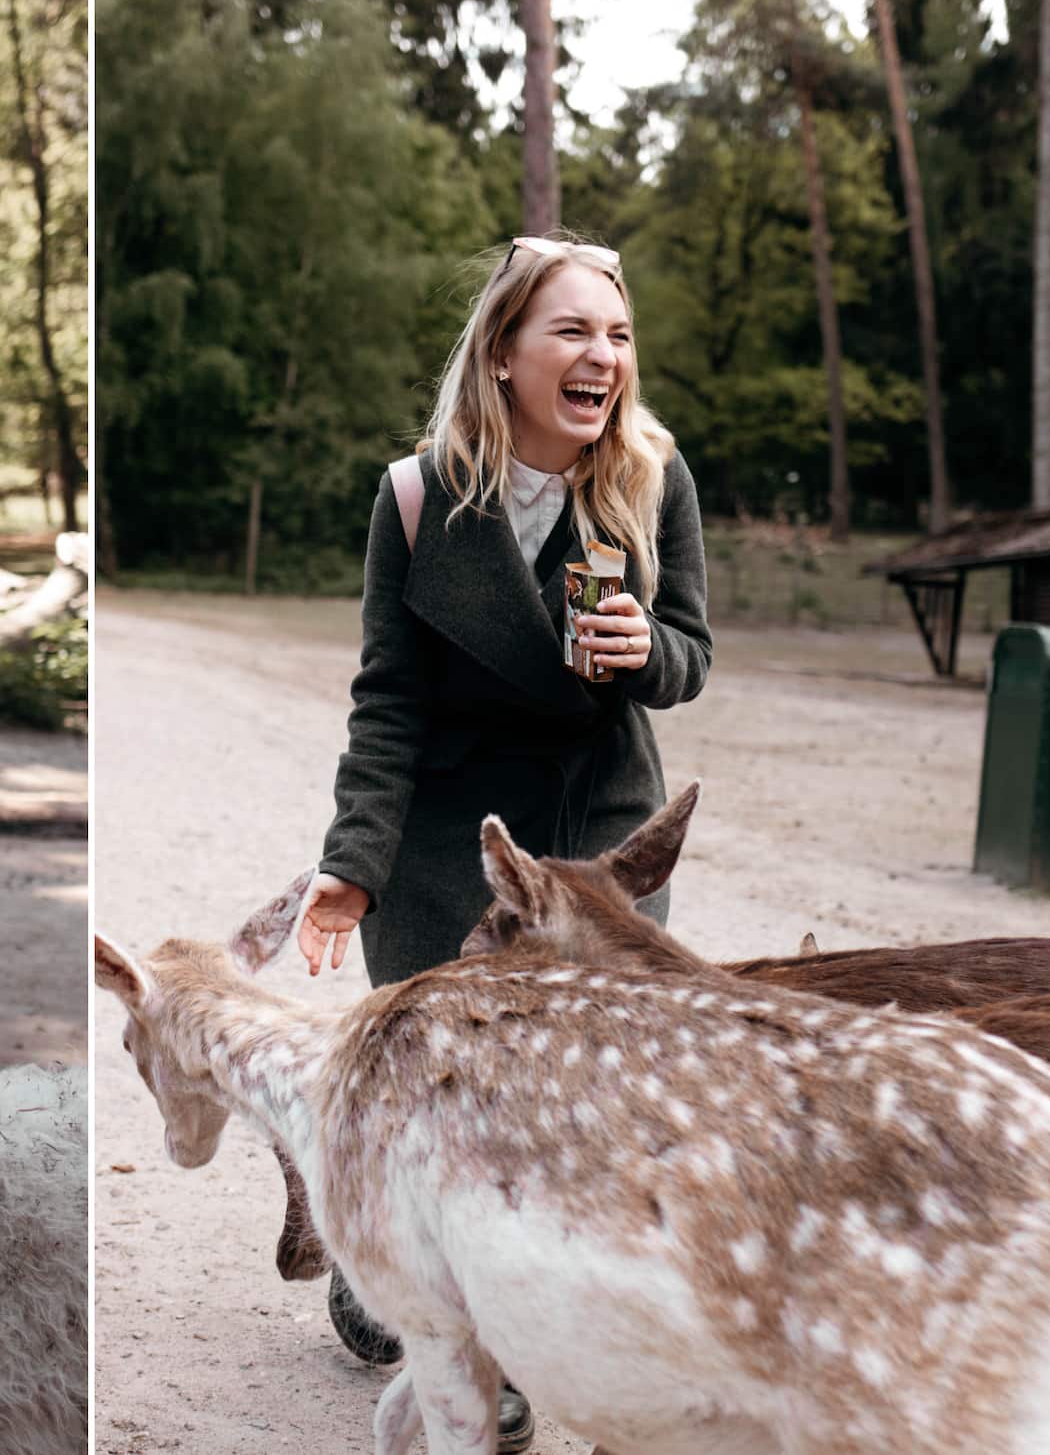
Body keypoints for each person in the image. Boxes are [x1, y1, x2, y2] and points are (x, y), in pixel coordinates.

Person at [295, 235, 712, 1451]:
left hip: (594, 839)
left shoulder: (651, 476)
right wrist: (349, 863)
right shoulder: (418, 496)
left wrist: (648, 652)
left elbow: (690, 652)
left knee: (576, 1096)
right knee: (445, 1094)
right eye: (573, 331)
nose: (603, 357)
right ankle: (397, 1272)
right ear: (503, 352)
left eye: (618, 336)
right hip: (445, 839)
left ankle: (523, 1344)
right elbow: (389, 699)